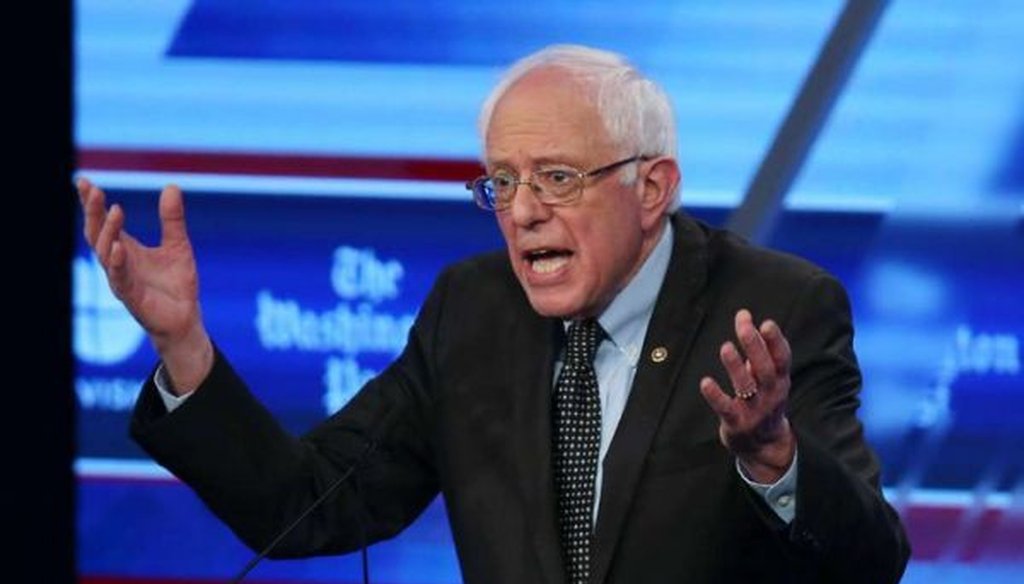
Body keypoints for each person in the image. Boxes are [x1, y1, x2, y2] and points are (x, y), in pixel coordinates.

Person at [77, 44, 910, 583]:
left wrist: (774, 457)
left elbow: (872, 560)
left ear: (651, 188)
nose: (522, 212)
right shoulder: (471, 311)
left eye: (557, 177)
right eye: (501, 182)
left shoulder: (774, 309)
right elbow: (307, 502)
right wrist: (183, 344)